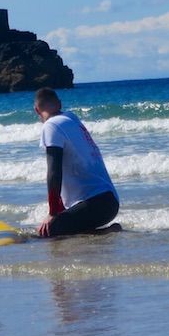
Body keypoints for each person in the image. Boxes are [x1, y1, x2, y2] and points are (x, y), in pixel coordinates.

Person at [33, 88, 120, 237]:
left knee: (47, 232)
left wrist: (52, 213)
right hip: (110, 202)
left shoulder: (51, 126)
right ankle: (104, 232)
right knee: (61, 227)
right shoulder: (71, 118)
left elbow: (54, 171)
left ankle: (106, 232)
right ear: (59, 104)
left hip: (95, 204)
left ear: (36, 110)